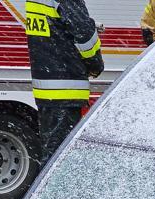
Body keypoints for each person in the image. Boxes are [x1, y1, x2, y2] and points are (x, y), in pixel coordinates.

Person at [26, 0, 104, 162]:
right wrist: (95, 64)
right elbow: (84, 35)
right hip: (66, 88)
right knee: (60, 160)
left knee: (51, 155)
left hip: (47, 87)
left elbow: (54, 27)